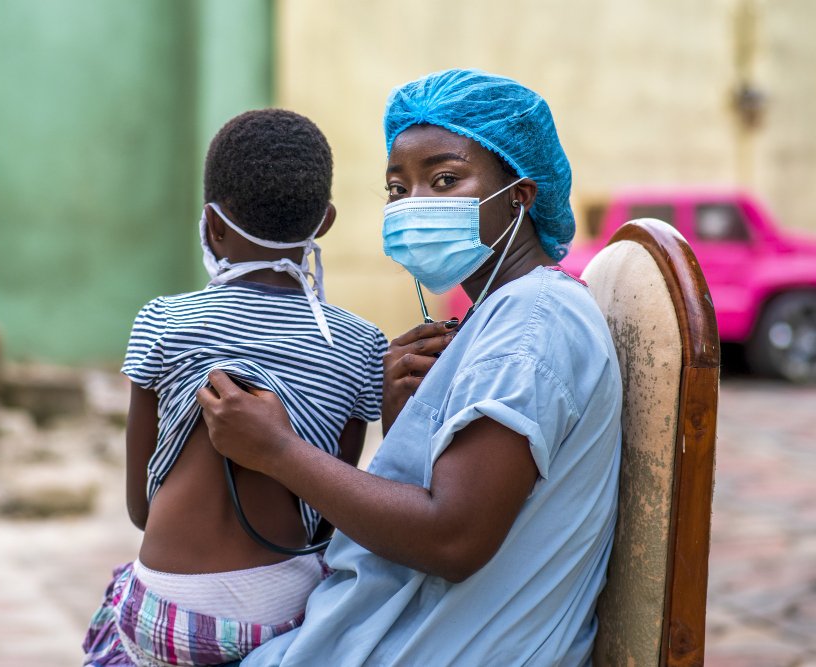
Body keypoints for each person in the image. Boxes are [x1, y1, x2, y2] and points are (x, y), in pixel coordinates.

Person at [196, 69, 623, 666]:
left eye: (445, 179)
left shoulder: (533, 322)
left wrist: (277, 451)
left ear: (520, 195)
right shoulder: (496, 317)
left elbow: (453, 538)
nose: (414, 205)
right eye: (398, 189)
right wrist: (404, 422)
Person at [82, 109, 389, 667]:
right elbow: (326, 519)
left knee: (120, 604)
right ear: (324, 221)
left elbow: (139, 509)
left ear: (212, 224)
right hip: (282, 619)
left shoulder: (163, 321)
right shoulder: (361, 344)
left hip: (165, 618)